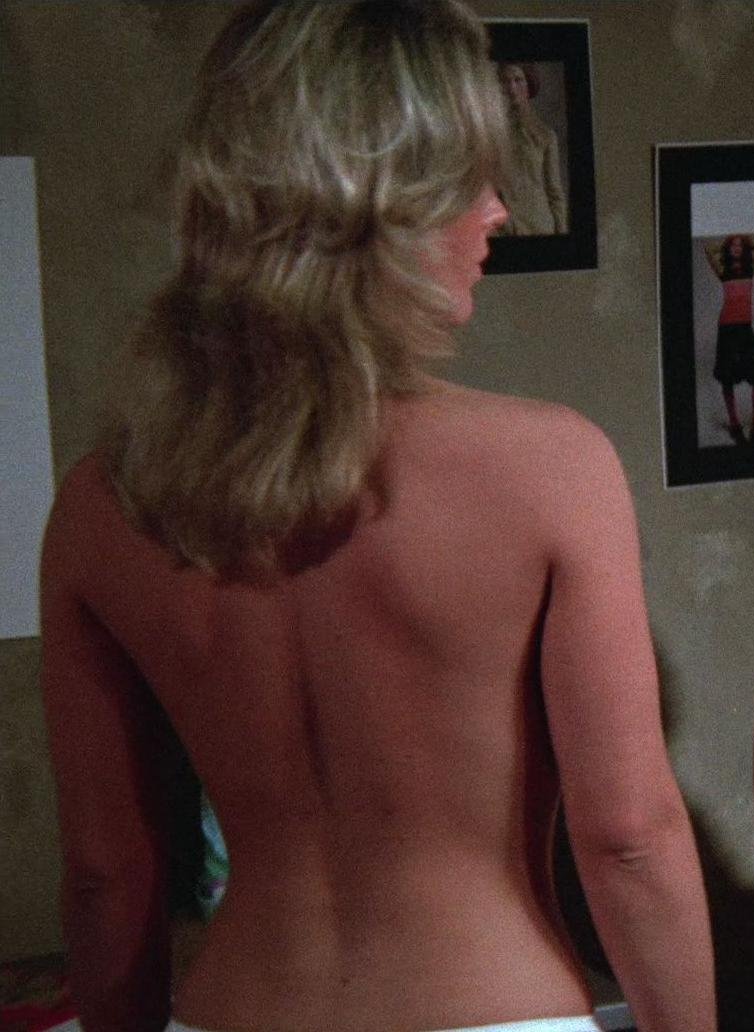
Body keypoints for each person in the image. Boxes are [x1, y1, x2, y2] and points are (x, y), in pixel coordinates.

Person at [37, 3, 716, 1031]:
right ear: (380, 207)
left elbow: (105, 875)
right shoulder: (552, 470)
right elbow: (628, 839)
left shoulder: (102, 508)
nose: (498, 213)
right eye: (469, 181)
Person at [704, 233, 754, 443]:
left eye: (740, 245)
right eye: (732, 245)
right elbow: (709, 249)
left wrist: (743, 239)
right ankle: (735, 425)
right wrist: (728, 242)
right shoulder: (723, 270)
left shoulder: (750, 266)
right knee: (727, 376)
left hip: (745, 327)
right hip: (727, 328)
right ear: (728, 248)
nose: (736, 248)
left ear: (744, 248)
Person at [496, 62, 567, 236]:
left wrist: (561, 235)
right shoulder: (492, 136)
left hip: (540, 227)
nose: (512, 87)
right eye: (506, 81)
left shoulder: (545, 135)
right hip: (505, 228)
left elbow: (554, 192)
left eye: (518, 80)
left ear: (528, 86)